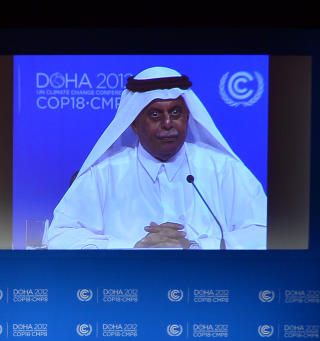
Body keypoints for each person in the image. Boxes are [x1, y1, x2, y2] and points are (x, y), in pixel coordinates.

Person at [43, 66, 266, 250]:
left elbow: (267, 233)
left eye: (176, 112)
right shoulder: (102, 173)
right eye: (155, 114)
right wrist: (134, 247)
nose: (168, 123)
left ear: (188, 117)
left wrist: (196, 246)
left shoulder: (224, 169)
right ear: (133, 123)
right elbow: (59, 237)